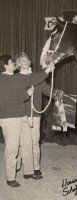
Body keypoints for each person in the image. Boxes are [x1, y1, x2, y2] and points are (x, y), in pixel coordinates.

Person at [0, 54, 53, 187]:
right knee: (12, 148)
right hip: (10, 117)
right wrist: (27, 94)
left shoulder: (15, 78)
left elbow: (32, 79)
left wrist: (47, 71)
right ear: (5, 65)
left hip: (22, 116)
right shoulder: (3, 79)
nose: (15, 65)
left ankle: (28, 171)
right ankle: (10, 177)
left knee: (28, 143)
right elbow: (10, 99)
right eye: (12, 63)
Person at [15, 52, 57, 177]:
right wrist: (47, 71)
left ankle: (36, 167)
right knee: (21, 142)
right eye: (23, 60)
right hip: (20, 114)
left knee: (34, 141)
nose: (27, 62)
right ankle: (18, 164)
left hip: (35, 114)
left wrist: (60, 95)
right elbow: (30, 81)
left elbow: (47, 90)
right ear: (18, 64)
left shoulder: (36, 77)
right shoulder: (16, 78)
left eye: (27, 59)